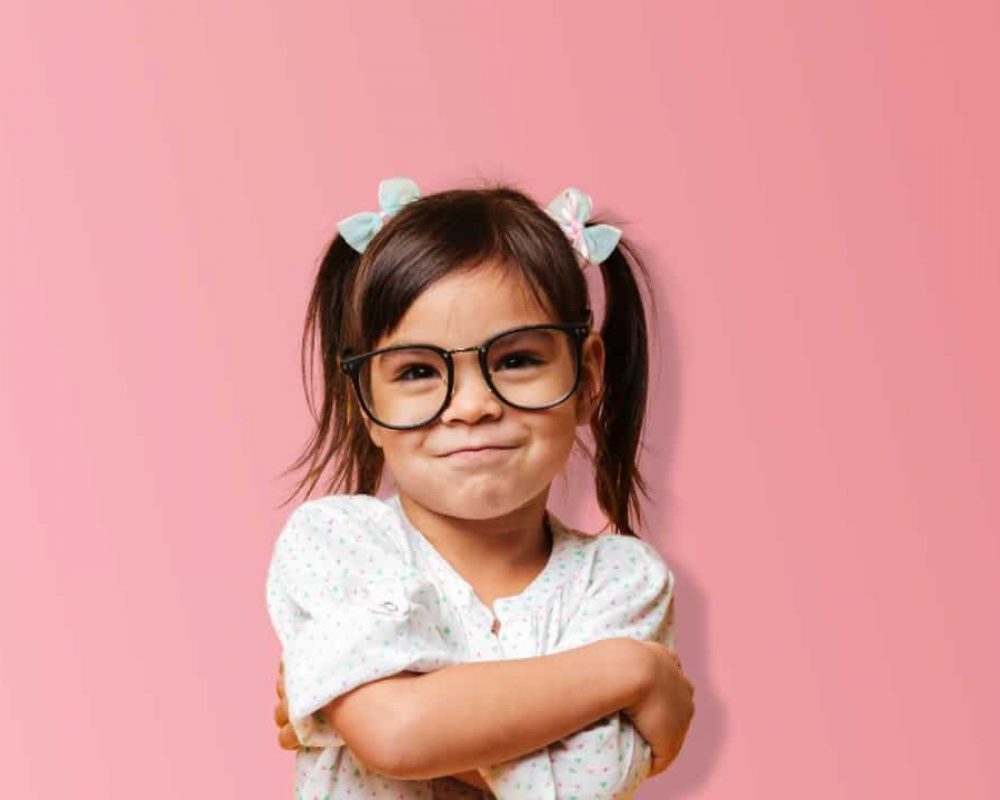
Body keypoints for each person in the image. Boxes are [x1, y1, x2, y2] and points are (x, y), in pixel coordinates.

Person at [265, 176, 695, 799]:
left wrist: (368, 702)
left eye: (516, 360)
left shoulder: (623, 579)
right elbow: (398, 732)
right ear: (363, 402)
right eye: (417, 370)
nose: (470, 406)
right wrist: (629, 671)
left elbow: (584, 783)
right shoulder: (337, 543)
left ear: (586, 376)